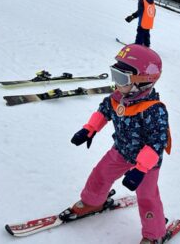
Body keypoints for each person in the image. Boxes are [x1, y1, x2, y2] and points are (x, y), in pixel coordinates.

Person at [69, 44, 171, 244]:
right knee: (99, 174)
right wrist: (89, 129)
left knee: (147, 197)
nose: (116, 83)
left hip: (146, 164)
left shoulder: (153, 110)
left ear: (142, 82)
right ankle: (93, 201)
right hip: (121, 150)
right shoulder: (117, 98)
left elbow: (157, 142)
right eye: (114, 74)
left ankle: (154, 234)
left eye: (121, 78)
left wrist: (140, 169)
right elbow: (103, 112)